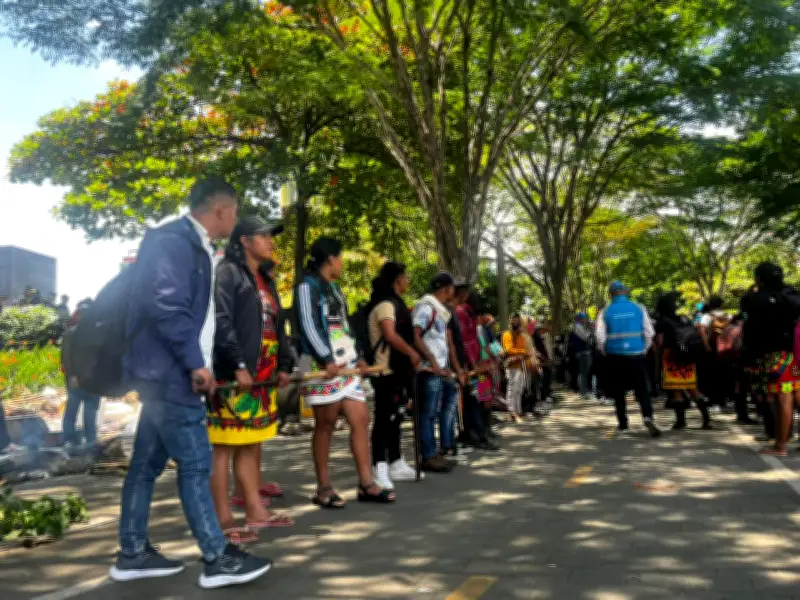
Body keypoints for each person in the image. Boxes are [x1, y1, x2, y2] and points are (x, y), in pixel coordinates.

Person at [112, 178, 272, 589]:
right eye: (235, 212)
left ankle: (133, 553)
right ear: (221, 209)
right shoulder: (173, 241)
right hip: (172, 374)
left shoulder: (192, 245)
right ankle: (217, 558)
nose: (235, 220)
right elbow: (168, 306)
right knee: (197, 464)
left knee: (145, 467)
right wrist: (194, 364)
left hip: (166, 373)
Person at [207, 217, 295, 545]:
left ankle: (256, 511)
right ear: (244, 241)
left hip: (262, 376)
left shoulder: (265, 279)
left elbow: (278, 325)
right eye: (263, 236)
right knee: (222, 447)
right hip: (234, 376)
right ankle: (222, 520)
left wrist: (284, 364)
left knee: (248, 443)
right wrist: (237, 364)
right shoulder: (227, 272)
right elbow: (221, 320)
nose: (270, 241)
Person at [296, 237, 395, 507]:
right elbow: (308, 325)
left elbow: (345, 327)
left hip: (346, 363)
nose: (341, 263)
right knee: (325, 423)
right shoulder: (306, 287)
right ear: (331, 259)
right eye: (340, 257)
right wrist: (326, 358)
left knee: (361, 419)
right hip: (319, 364)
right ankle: (323, 487)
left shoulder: (336, 289)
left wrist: (359, 357)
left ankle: (366, 483)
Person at [365, 262, 422, 490]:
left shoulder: (396, 303)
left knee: (396, 416)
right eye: (405, 276)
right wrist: (412, 352)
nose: (408, 280)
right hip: (384, 370)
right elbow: (389, 334)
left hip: (398, 370)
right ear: (397, 279)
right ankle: (379, 465)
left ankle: (396, 461)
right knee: (383, 418)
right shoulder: (386, 305)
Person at [741, 263, 800, 456]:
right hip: (792, 353)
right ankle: (782, 441)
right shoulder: (791, 296)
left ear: (759, 279)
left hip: (772, 356)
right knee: (795, 394)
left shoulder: (756, 299)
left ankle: (780, 445)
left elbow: (750, 331)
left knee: (783, 398)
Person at [595, 280, 661, 437]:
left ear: (610, 295)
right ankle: (647, 416)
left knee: (618, 391)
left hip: (614, 356)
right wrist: (643, 350)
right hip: (636, 355)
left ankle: (623, 423)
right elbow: (649, 333)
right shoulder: (639, 308)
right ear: (625, 292)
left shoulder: (605, 311)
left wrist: (605, 351)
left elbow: (599, 336)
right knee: (642, 389)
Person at [412, 272, 459, 473]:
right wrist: (431, 359)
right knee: (428, 414)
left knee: (436, 410)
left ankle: (435, 452)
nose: (454, 291)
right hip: (429, 370)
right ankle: (428, 456)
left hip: (439, 369)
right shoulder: (426, 307)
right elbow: (416, 335)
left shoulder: (440, 310)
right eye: (452, 287)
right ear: (446, 288)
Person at [655, 292, 711, 430]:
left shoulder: (662, 321)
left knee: (677, 390)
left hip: (671, 357)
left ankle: (680, 421)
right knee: (693, 388)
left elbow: (660, 342)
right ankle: (706, 419)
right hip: (687, 357)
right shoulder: (682, 319)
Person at [457, 292, 500, 451]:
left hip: (481, 369)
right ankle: (479, 435)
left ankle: (483, 431)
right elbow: (468, 345)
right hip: (473, 368)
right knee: (474, 401)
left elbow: (480, 347)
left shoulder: (477, 327)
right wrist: (476, 365)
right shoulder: (465, 317)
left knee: (483, 400)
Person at [61, 299, 102, 451]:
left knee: (89, 414)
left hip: (92, 381)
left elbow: (102, 358)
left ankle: (90, 442)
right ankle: (70, 440)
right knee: (74, 411)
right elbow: (66, 357)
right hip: (78, 381)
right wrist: (72, 375)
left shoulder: (98, 333)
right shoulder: (71, 333)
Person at [501, 314, 531, 422]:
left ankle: (518, 411)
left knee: (519, 389)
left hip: (521, 366)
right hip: (512, 366)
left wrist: (523, 353)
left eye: (517, 320)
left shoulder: (521, 335)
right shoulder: (506, 334)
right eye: (513, 320)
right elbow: (508, 349)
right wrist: (523, 352)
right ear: (510, 322)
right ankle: (512, 412)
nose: (515, 322)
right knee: (512, 389)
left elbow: (526, 349)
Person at [571, 313, 593, 400]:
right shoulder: (578, 326)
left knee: (585, 373)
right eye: (585, 318)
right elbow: (585, 337)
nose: (586, 320)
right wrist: (590, 331)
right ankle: (583, 392)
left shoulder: (581, 326)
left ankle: (584, 391)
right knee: (583, 373)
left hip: (585, 352)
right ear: (580, 319)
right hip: (582, 353)